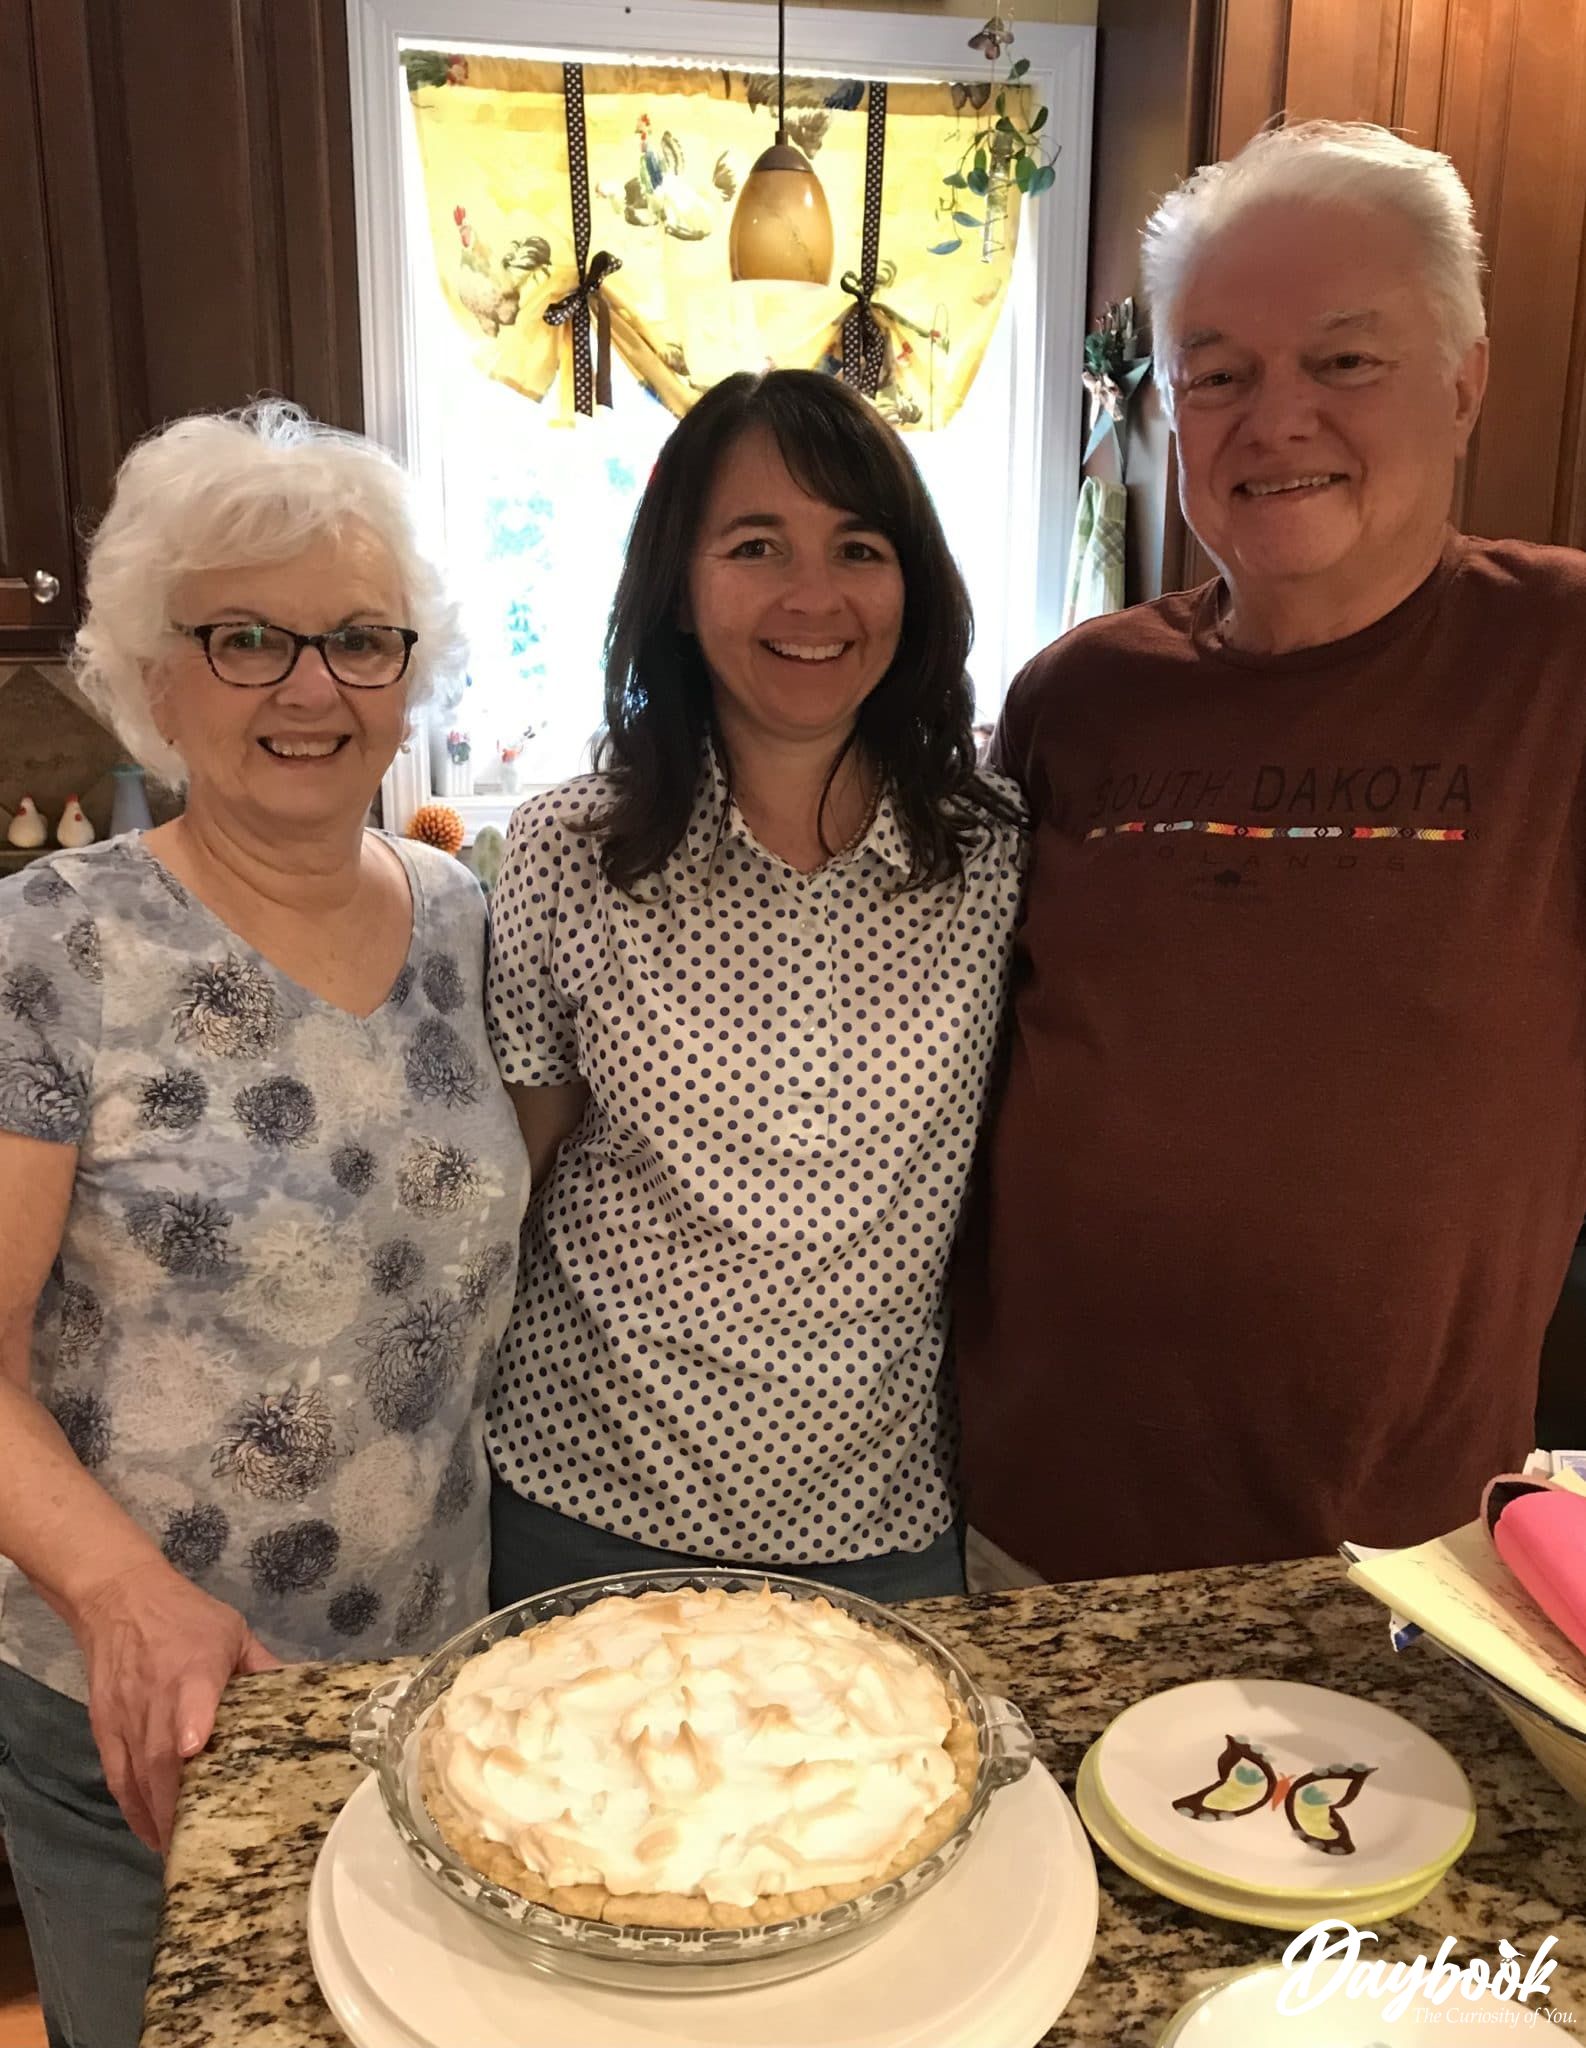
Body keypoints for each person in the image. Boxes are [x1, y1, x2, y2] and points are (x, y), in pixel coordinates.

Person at [957, 120, 1586, 1586]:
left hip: (1403, 1560)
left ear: (1464, 380)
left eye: (1343, 360)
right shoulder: (1073, 697)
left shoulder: (1562, 662)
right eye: (1218, 373)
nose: (1274, 418)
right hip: (1024, 1534)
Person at [0, 404, 529, 2048]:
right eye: (246, 638)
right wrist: (121, 1597)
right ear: (154, 676)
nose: (312, 688)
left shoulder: (460, 919)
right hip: (146, 1713)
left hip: (427, 1681)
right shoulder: (52, 944)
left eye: (360, 639)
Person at [484, 368, 1024, 1605]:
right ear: (678, 588)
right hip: (581, 1495)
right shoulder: (570, 848)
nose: (812, 596)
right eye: (754, 546)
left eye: (857, 548)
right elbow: (518, 1175)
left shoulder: (994, 852)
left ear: (911, 584)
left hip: (880, 1516)